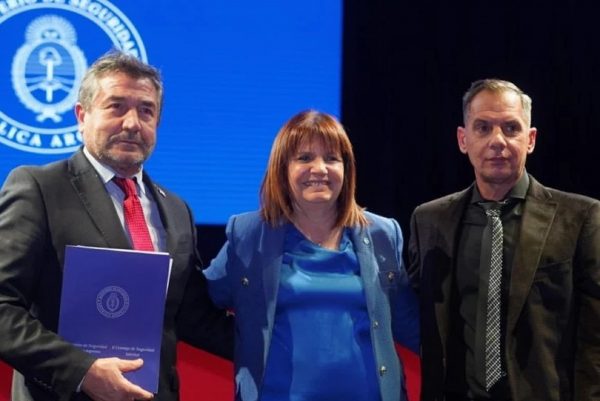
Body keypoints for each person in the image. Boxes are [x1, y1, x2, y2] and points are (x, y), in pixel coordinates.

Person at [0, 51, 233, 401]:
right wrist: (83, 372)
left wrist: (293, 345)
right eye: (116, 107)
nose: (132, 123)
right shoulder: (40, 188)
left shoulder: (177, 210)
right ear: (82, 115)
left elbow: (193, 317)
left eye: (146, 111)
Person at [203, 110, 419, 401]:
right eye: (304, 158)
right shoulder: (248, 235)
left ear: (346, 168)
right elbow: (197, 305)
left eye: (331, 158)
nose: (319, 169)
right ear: (282, 168)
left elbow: (410, 323)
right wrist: (249, 341)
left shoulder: (383, 234)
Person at [408, 79, 600, 401]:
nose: (497, 140)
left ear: (530, 139)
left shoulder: (581, 218)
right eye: (483, 128)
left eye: (511, 128)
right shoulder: (428, 221)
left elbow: (595, 337)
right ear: (463, 139)